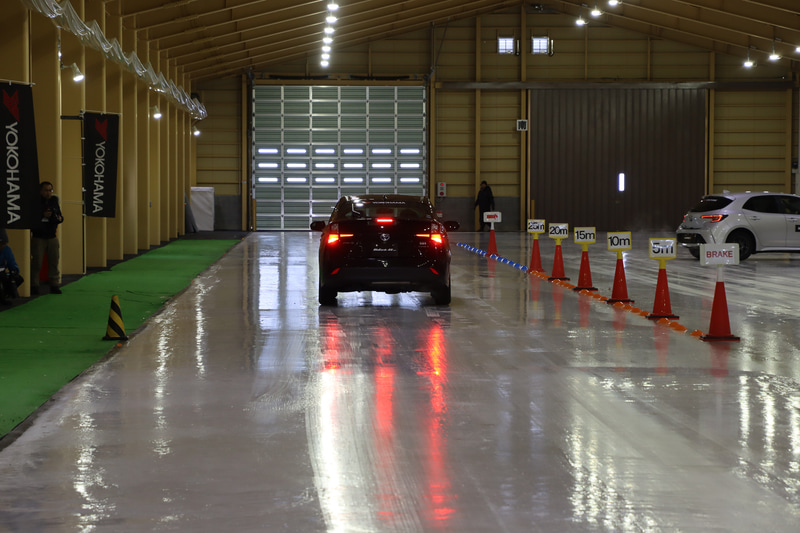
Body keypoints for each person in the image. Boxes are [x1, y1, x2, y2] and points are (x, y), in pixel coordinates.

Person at [30, 181, 64, 295]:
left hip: (52, 236)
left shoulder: (54, 201)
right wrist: (42, 215)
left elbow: (59, 216)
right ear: (40, 191)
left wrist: (56, 217)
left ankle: (54, 284)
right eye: (46, 190)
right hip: (38, 236)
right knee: (37, 262)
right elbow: (31, 217)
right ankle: (34, 285)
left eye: (50, 190)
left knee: (54, 261)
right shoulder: (35, 202)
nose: (48, 193)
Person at [0, 235, 23, 304]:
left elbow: (12, 262)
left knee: (18, 279)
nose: (2, 246)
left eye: (4, 244)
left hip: (2, 273)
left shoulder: (6, 249)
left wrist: (14, 271)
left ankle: (4, 296)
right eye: (1, 244)